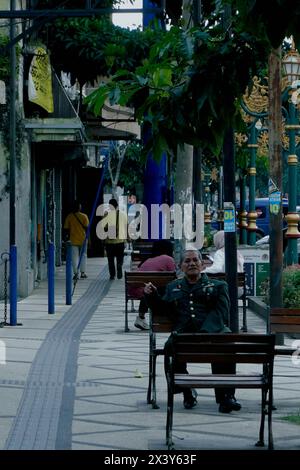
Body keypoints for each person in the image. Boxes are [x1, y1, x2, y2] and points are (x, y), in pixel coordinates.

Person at [144, 249, 241, 414]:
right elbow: (162, 308)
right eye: (187, 261)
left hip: (213, 332)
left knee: (226, 345)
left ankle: (226, 396)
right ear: (181, 267)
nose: (192, 264)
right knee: (170, 348)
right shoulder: (174, 287)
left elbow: (221, 312)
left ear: (202, 265)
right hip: (184, 335)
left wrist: (205, 332)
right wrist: (151, 295)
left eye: (195, 260)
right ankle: (186, 390)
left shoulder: (218, 286)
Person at [131, 240, 176, 331]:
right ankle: (162, 318)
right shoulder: (168, 259)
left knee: (151, 287)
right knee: (159, 288)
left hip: (135, 289)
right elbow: (173, 277)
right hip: (147, 291)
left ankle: (141, 317)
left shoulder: (148, 259)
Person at [203, 230, 244, 297]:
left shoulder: (220, 253)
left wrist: (203, 270)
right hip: (239, 289)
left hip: (226, 289)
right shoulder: (237, 252)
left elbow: (217, 269)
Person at [100, 198, 127, 280]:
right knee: (120, 257)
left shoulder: (106, 215)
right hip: (120, 241)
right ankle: (119, 266)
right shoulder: (123, 214)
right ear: (117, 205)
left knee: (110, 259)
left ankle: (112, 275)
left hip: (109, 242)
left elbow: (103, 228)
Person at [64, 201, 89, 280]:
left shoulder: (69, 217)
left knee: (74, 257)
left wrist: (66, 238)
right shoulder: (84, 216)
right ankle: (83, 272)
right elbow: (87, 229)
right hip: (83, 239)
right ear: (79, 208)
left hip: (73, 240)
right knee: (83, 256)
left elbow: (66, 228)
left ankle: (76, 273)